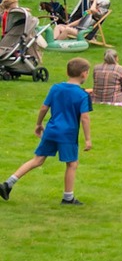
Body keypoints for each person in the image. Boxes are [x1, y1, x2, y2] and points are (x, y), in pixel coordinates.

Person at [0, 56, 92, 205]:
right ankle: (68, 197)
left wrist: (38, 124)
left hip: (51, 130)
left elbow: (44, 107)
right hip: (67, 134)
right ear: (84, 74)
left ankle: (8, 183)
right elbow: (85, 118)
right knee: (72, 164)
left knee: (37, 159)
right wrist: (88, 139)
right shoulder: (82, 95)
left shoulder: (55, 88)